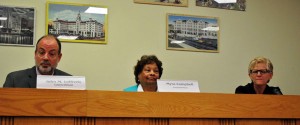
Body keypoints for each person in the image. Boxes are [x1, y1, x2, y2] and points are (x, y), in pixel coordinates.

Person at [3, 35, 71, 88]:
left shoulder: (69, 82)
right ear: (35, 54)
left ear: (59, 57)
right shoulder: (14, 80)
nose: (45, 58)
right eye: (41, 52)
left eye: (52, 54)